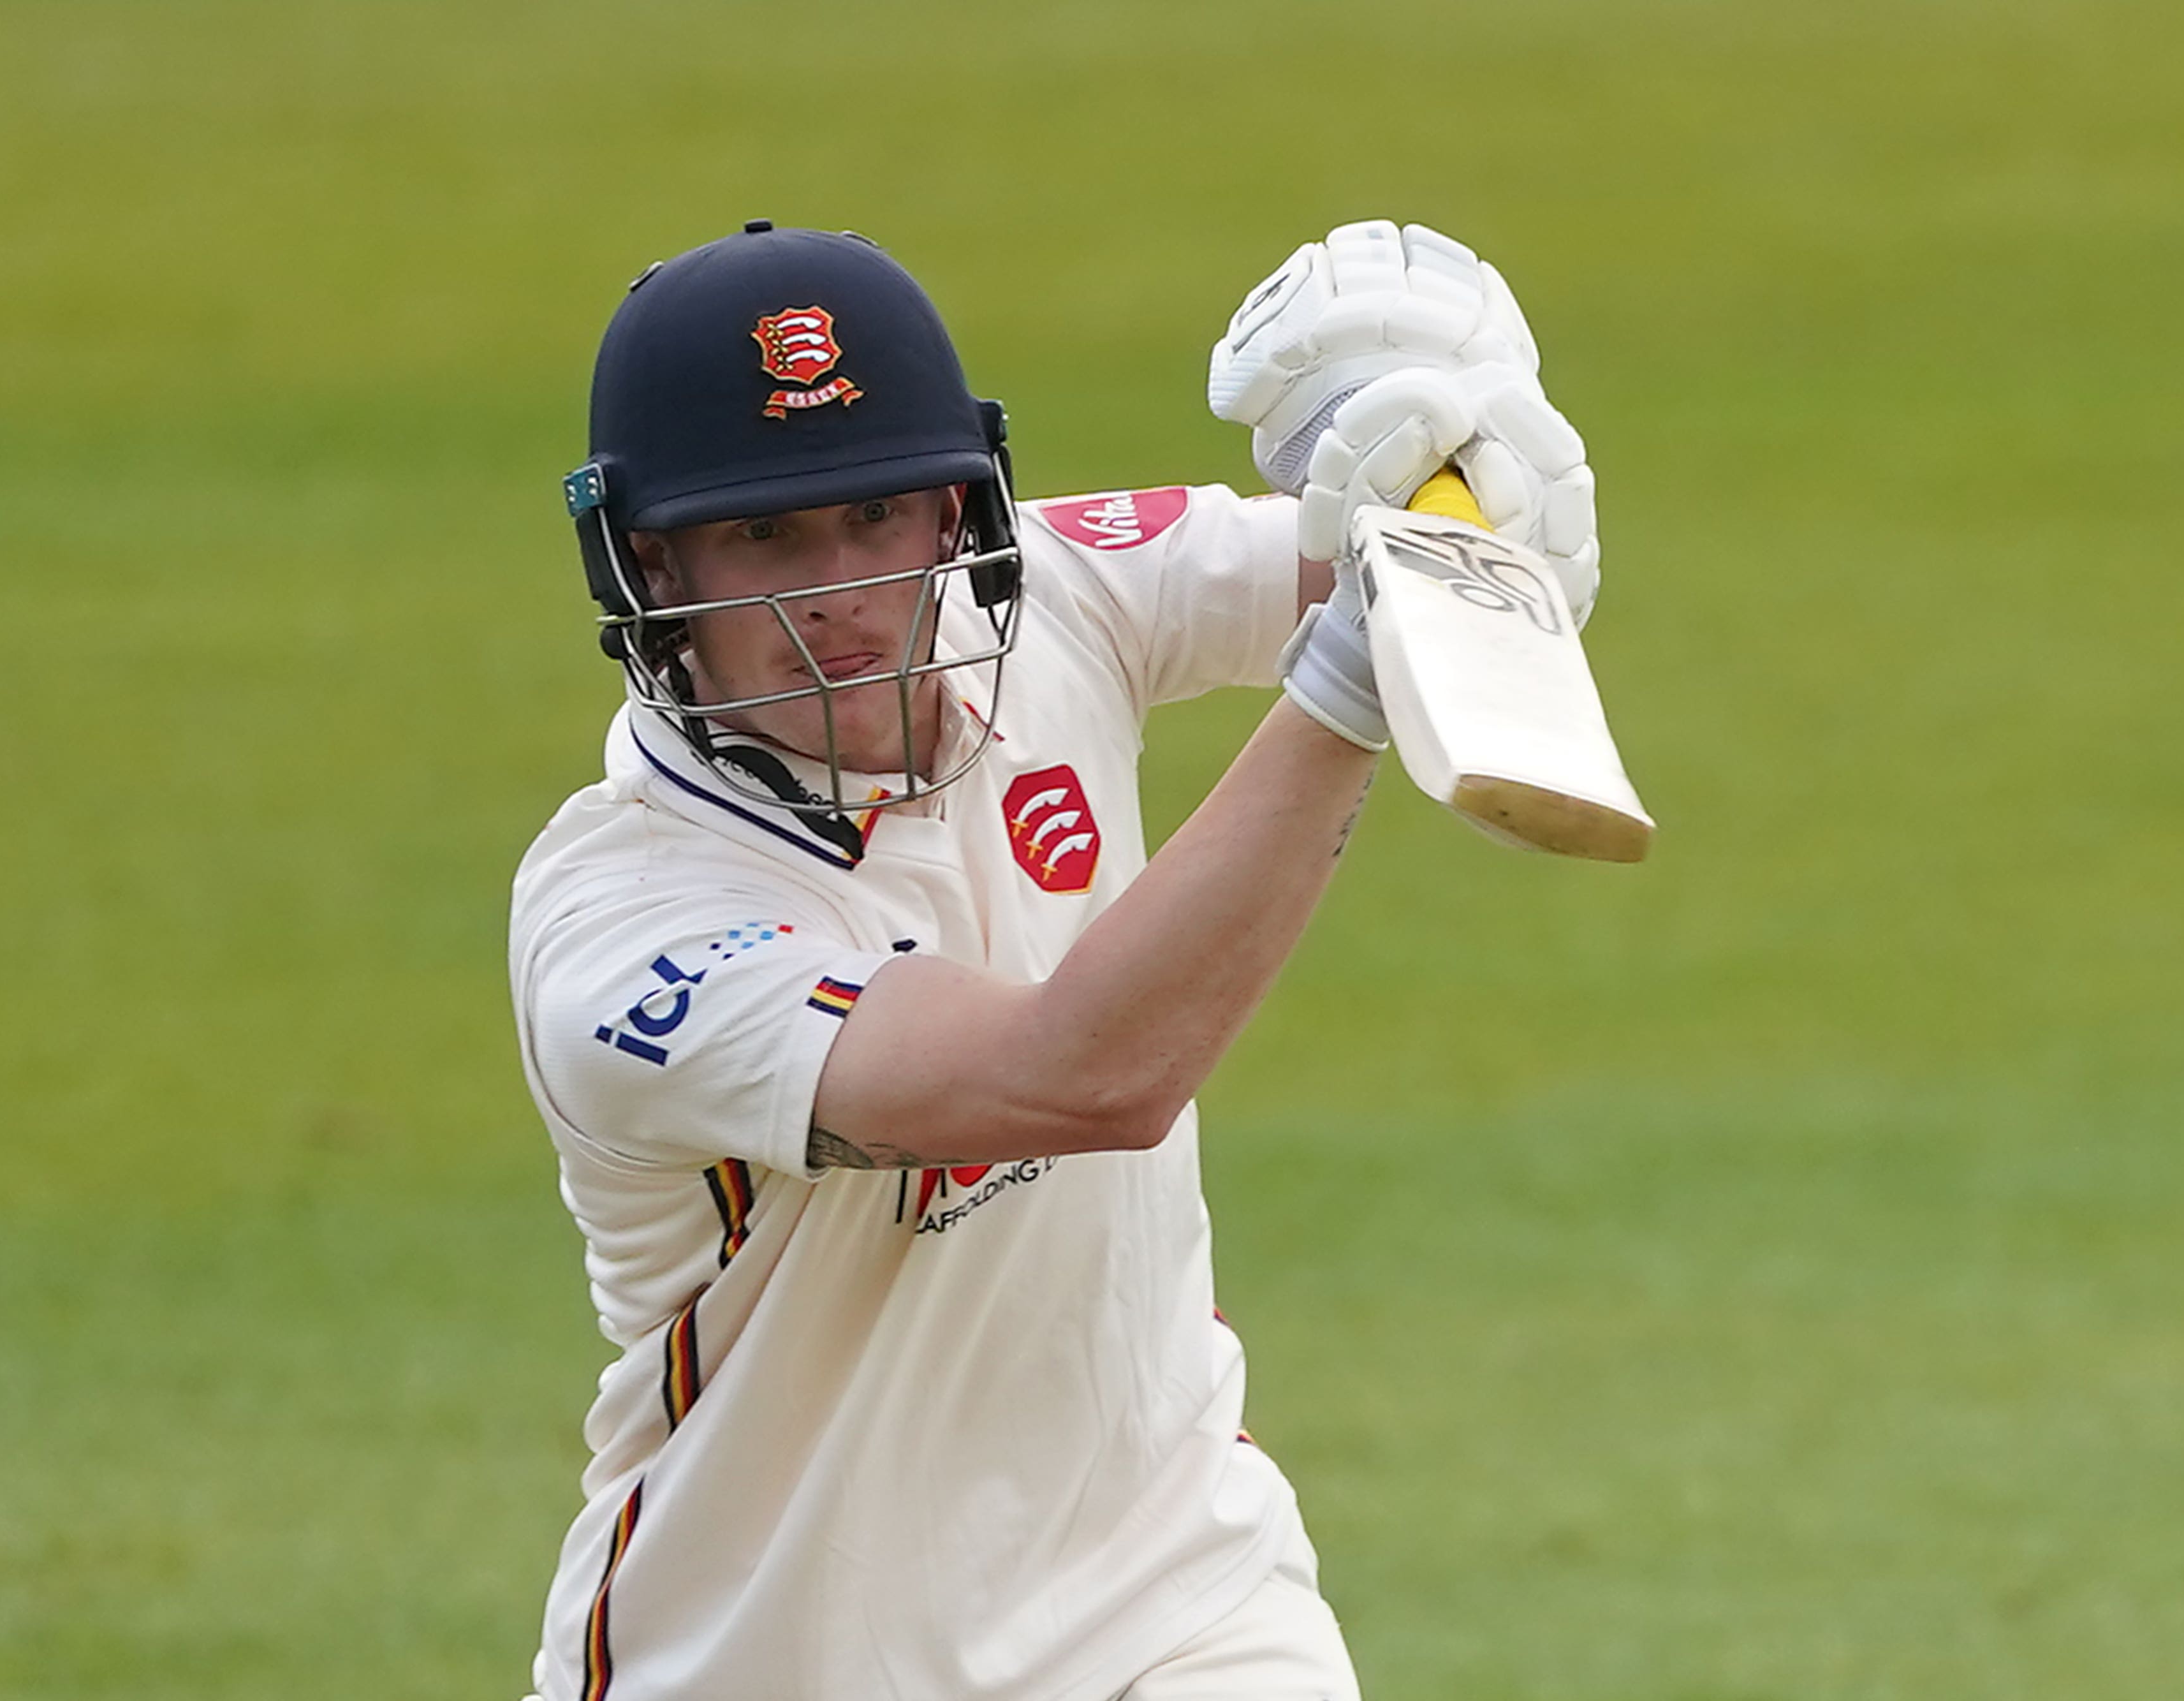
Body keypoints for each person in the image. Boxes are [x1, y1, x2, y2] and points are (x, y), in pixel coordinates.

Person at [509, 217, 1599, 1701]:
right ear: (648, 564)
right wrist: (1349, 683)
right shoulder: (625, 932)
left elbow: (1369, 554)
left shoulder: (1049, 607)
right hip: (780, 1650)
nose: (834, 593)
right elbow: (1081, 1073)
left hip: (1176, 1592)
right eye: (760, 535)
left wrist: (1447, 451)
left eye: (876, 513)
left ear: (954, 516)